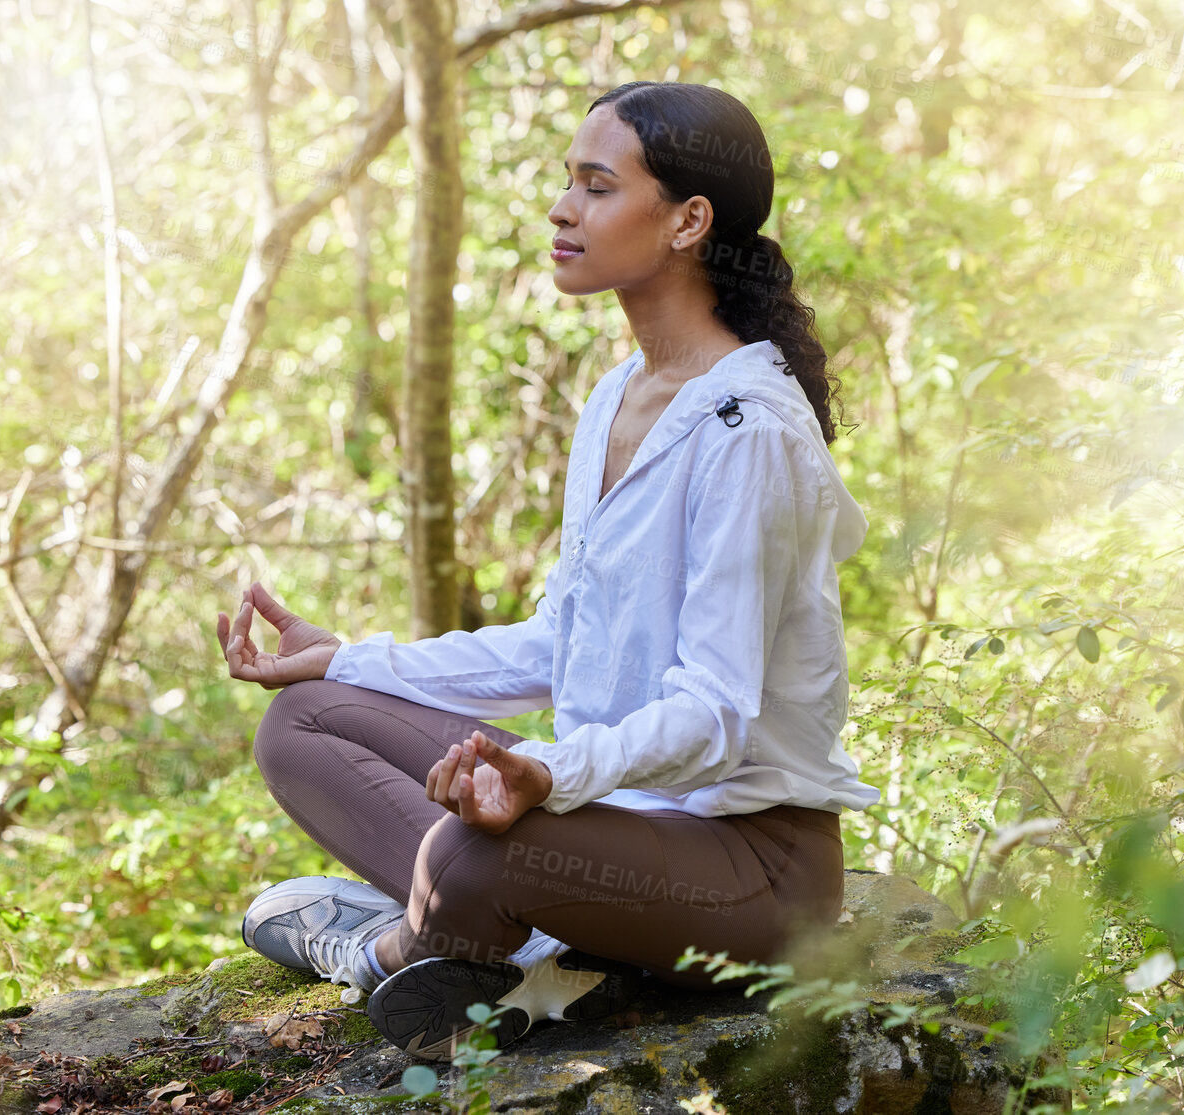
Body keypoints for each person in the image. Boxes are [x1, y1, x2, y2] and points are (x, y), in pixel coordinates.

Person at [215, 81, 879, 1061]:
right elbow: (556, 645)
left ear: (688, 220)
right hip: (611, 837)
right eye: (567, 182)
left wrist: (552, 776)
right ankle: (519, 946)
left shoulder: (747, 427)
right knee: (304, 721)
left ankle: (379, 947)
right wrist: (349, 659)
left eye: (596, 186)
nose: (563, 209)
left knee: (469, 850)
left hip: (752, 874)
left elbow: (715, 713)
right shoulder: (616, 396)